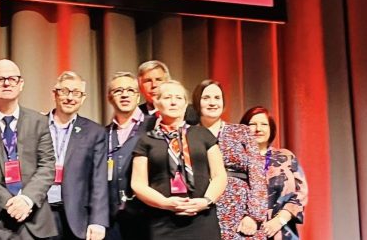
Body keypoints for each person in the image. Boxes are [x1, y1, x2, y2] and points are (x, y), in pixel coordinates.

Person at [131, 80, 227, 240]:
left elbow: (219, 175)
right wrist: (165, 203)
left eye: (179, 97)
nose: (174, 102)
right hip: (162, 220)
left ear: (185, 104)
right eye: (168, 97)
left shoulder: (203, 134)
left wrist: (206, 201)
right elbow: (138, 183)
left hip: (202, 218)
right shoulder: (146, 140)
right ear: (157, 102)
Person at [0, 59, 57, 239]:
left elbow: (47, 165)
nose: (6, 83)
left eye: (13, 79)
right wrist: (6, 202)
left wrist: (26, 200)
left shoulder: (39, 122)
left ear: (21, 84)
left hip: (34, 221)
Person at [193, 79, 268, 240]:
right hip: (203, 209)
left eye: (217, 98)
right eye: (206, 98)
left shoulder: (242, 132)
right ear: (197, 102)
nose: (212, 103)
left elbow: (257, 174)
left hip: (240, 212)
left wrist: (254, 216)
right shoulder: (189, 134)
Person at [45, 71, 108, 240]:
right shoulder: (36, 125)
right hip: (41, 214)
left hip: (77, 217)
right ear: (55, 94)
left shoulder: (95, 132)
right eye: (65, 91)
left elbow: (99, 179)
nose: (70, 98)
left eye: (76, 93)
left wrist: (98, 221)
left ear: (83, 98)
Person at [240, 107, 308, 240]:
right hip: (244, 232)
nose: (258, 129)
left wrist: (280, 219)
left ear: (271, 129)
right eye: (252, 124)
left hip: (281, 232)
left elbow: (300, 193)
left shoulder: (286, 157)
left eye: (264, 124)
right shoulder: (235, 161)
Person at [104, 72, 153, 240]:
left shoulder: (154, 127)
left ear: (138, 96)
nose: (125, 94)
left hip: (147, 218)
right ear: (109, 98)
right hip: (112, 221)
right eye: (118, 91)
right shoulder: (103, 134)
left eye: (130, 90)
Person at [137, 60, 199, 125]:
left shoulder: (191, 114)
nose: (154, 85)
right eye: (148, 81)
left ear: (168, 82)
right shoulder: (136, 114)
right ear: (140, 86)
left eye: (158, 80)